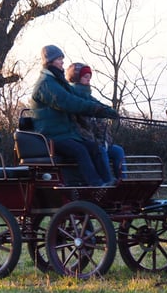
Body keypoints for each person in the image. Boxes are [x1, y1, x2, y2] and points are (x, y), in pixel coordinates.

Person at [29, 45, 118, 187]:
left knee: (94, 148)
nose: (62, 62)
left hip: (67, 134)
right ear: (50, 61)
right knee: (80, 150)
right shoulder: (46, 84)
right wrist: (94, 109)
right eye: (59, 59)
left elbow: (80, 95)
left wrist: (106, 110)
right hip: (51, 135)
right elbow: (69, 103)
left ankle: (108, 183)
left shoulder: (58, 81)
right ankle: (95, 185)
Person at [66, 62, 126, 181]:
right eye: (85, 77)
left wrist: (112, 114)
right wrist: (98, 143)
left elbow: (101, 125)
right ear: (76, 78)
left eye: (89, 77)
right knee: (100, 150)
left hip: (98, 143)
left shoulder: (90, 98)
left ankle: (123, 182)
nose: (88, 80)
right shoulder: (71, 99)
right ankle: (107, 183)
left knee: (118, 151)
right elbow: (77, 128)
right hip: (84, 144)